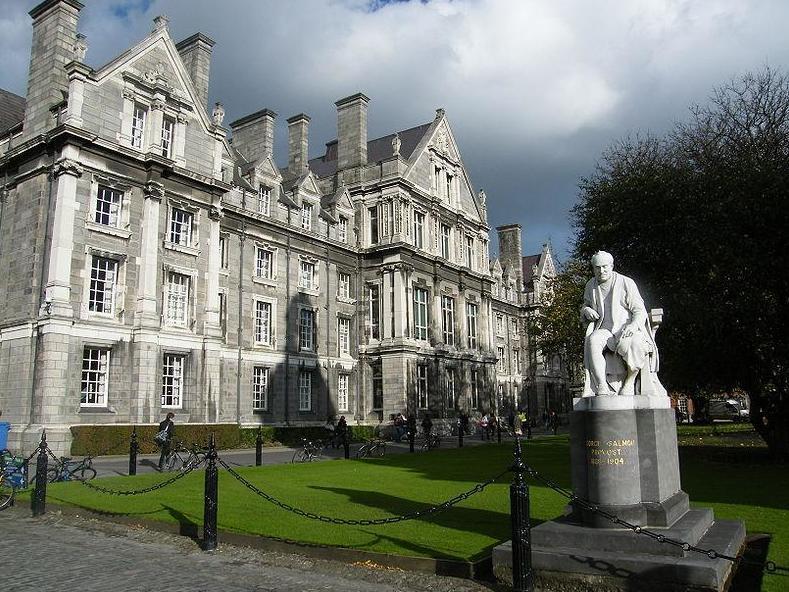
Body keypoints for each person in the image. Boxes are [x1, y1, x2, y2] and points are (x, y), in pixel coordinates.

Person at [581, 250, 658, 396]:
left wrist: (634, 325)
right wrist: (586, 310)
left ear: (611, 266)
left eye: (604, 267)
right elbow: (585, 305)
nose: (601, 271)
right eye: (597, 267)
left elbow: (639, 310)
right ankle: (602, 386)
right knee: (593, 340)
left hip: (625, 327)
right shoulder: (590, 285)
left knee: (635, 342)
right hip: (604, 329)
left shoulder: (626, 282)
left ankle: (630, 380)